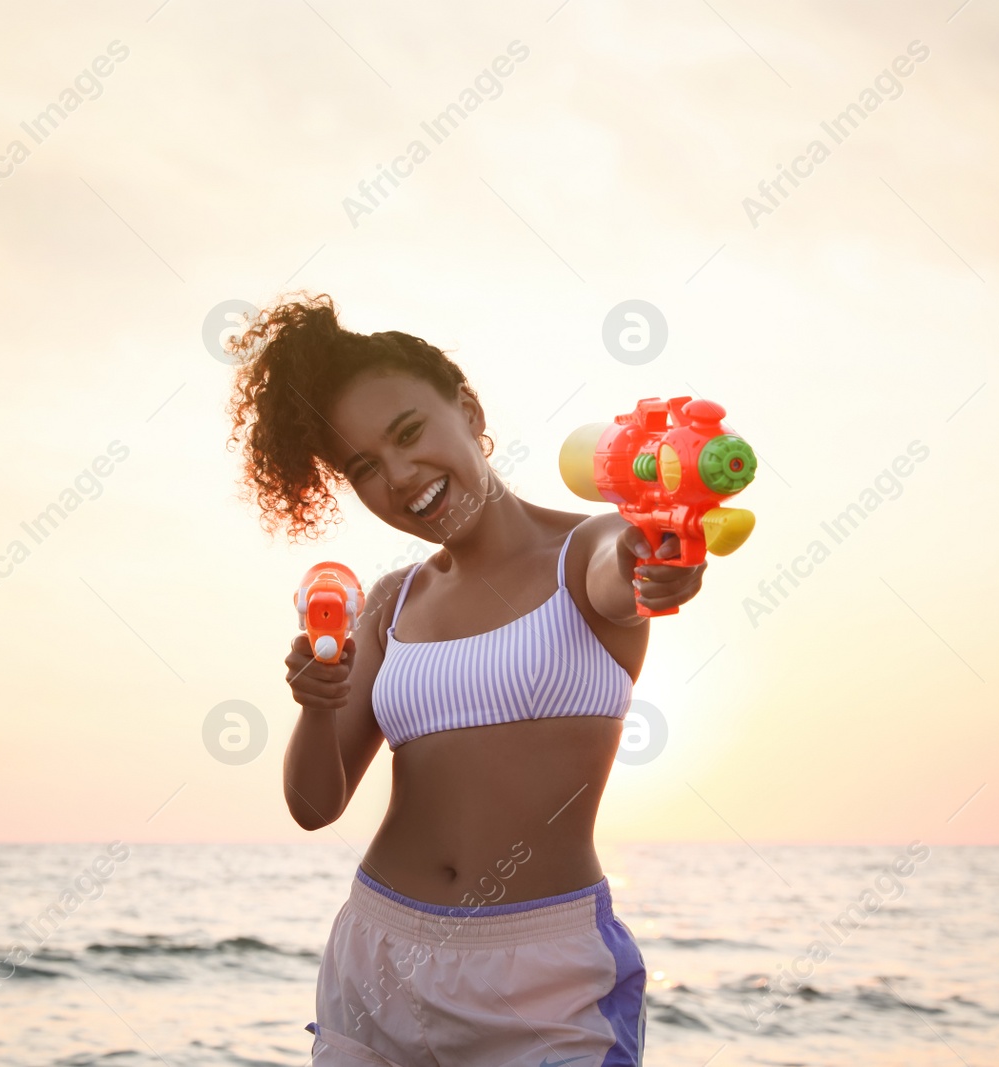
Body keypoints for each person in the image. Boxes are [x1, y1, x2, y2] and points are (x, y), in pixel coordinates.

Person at [225, 293, 708, 1066]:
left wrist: (663, 565)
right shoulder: (391, 603)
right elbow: (314, 805)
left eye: (409, 433)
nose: (400, 475)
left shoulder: (583, 552)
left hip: (543, 979)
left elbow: (633, 563)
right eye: (364, 468)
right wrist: (315, 705)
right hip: (377, 957)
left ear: (467, 407)